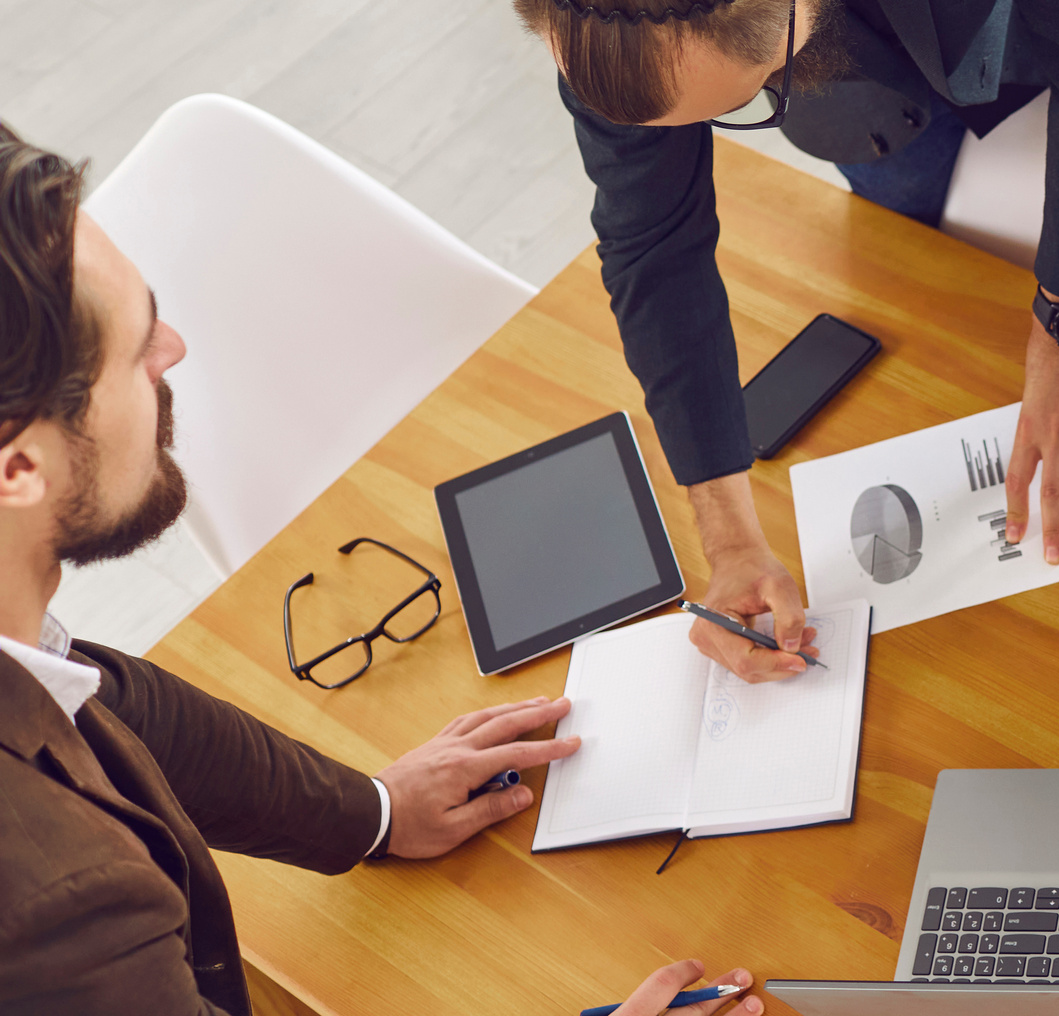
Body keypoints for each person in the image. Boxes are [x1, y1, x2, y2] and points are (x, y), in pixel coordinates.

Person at [0, 126, 753, 1016]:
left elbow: (104, 707)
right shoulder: (64, 913)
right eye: (133, 349)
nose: (173, 349)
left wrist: (376, 811)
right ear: (18, 468)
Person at [514, 0, 1059, 683]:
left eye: (749, 98)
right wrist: (730, 538)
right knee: (925, 250)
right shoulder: (602, 21)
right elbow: (653, 244)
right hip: (865, 86)